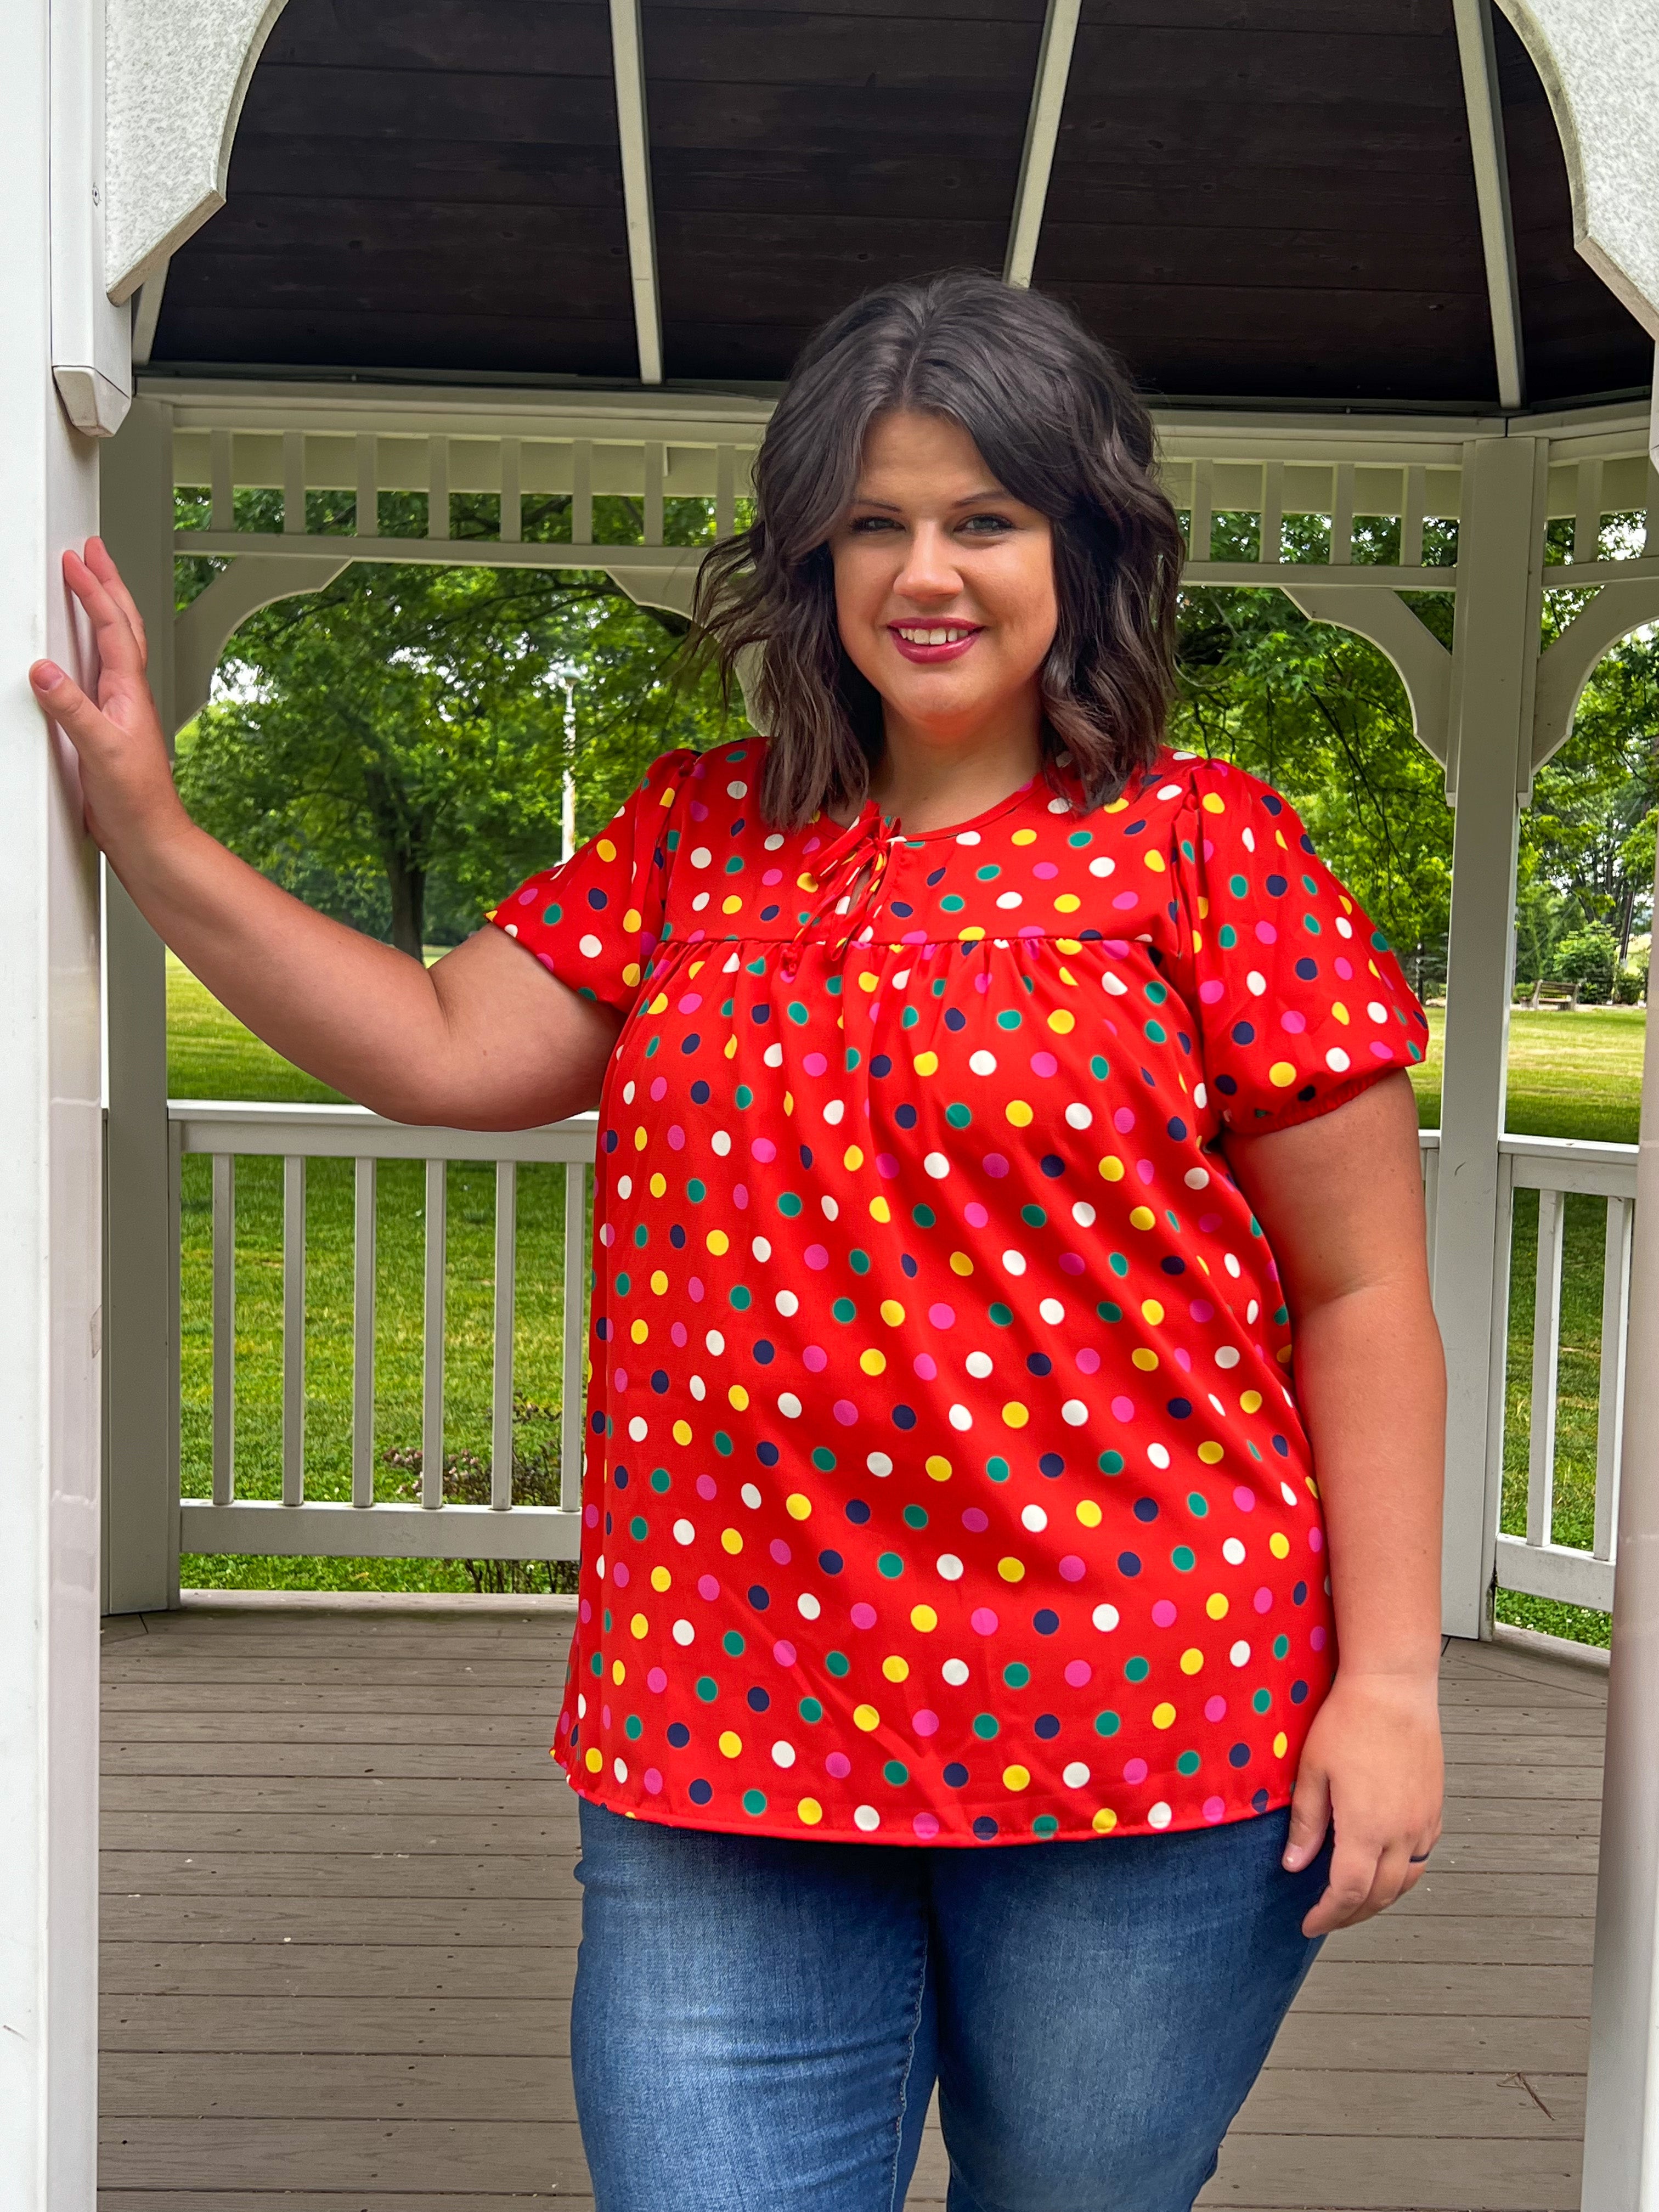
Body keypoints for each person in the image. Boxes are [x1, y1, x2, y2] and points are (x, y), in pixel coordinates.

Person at [34, 270, 1444, 2212]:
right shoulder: (702, 839)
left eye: (985, 518)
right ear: (810, 560)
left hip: (1148, 1729)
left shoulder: (1208, 851)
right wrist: (153, 834)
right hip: (727, 1722)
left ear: (1084, 546)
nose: (925, 572)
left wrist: (1388, 1688)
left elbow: (1365, 1295)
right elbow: (447, 1048)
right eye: (874, 522)